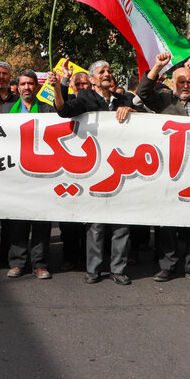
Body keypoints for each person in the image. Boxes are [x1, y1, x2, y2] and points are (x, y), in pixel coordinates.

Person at [137, 52, 190, 284]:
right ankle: (168, 265)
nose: (185, 85)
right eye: (180, 81)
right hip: (169, 172)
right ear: (172, 82)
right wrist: (157, 67)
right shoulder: (163, 101)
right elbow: (142, 93)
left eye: (188, 82)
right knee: (168, 222)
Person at [54, 61, 134, 284]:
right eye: (102, 72)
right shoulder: (85, 98)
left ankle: (118, 269)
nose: (107, 74)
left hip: (121, 169)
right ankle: (94, 269)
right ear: (92, 79)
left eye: (109, 71)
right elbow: (63, 111)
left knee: (121, 223)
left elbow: (145, 118)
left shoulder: (123, 99)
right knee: (96, 225)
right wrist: (61, 83)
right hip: (95, 170)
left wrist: (132, 111)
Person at [1, 70, 56, 279]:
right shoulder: (6, 110)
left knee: (41, 220)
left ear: (37, 87)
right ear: (17, 86)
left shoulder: (47, 109)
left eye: (31, 84)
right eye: (23, 84)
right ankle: (17, 263)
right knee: (18, 220)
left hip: (41, 171)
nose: (27, 88)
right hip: (16, 172)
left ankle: (40, 264)